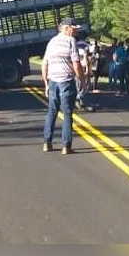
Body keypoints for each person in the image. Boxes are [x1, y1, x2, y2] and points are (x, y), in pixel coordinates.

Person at [42, 18, 85, 154]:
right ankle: (66, 146)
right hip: (66, 81)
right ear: (66, 28)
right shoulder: (71, 41)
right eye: (74, 28)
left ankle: (47, 143)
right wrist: (82, 80)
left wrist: (46, 84)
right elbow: (76, 64)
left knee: (52, 112)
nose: (76, 30)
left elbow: (45, 64)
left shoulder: (52, 42)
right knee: (67, 114)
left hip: (53, 81)